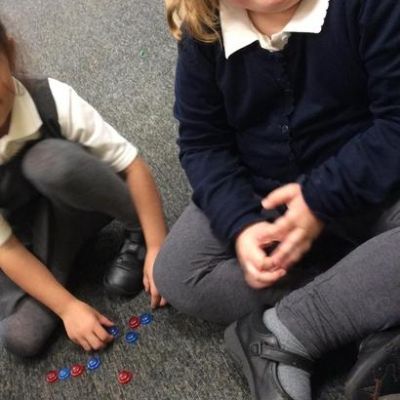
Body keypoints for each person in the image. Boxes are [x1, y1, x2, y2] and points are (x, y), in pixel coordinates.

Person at [154, 0, 400, 399]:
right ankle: (363, 304)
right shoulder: (203, 32)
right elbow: (203, 144)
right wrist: (240, 223)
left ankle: (293, 328)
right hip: (260, 189)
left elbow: (395, 127)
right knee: (179, 272)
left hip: (363, 184)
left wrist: (321, 198)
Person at [0, 19, 167, 358]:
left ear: (10, 53)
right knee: (21, 337)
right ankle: (64, 266)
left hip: (79, 200)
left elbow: (131, 164)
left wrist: (157, 246)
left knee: (49, 162)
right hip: (28, 238)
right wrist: (67, 308)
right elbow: (7, 249)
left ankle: (135, 230)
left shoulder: (52, 99)